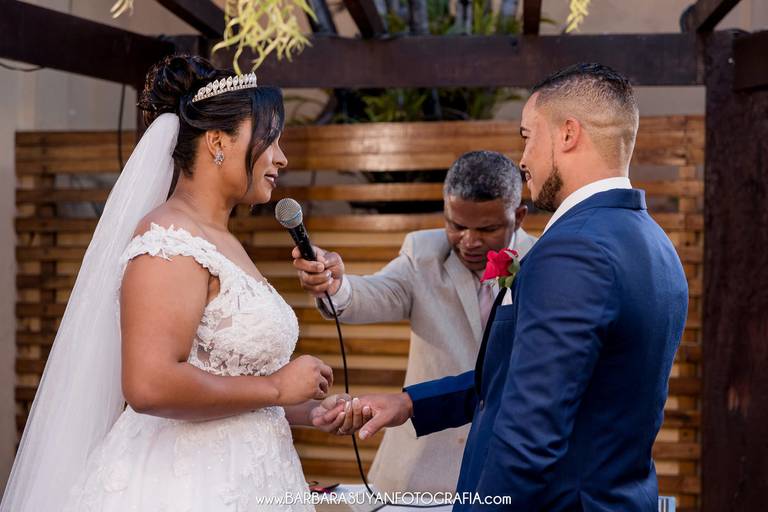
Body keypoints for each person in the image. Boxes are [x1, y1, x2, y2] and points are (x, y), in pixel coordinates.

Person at [0, 55, 369, 511]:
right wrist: (277, 387)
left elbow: (223, 381)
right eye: (270, 139)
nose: (281, 157)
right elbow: (149, 385)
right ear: (217, 141)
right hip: (186, 487)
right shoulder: (169, 241)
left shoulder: (221, 239)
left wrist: (307, 409)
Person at [352, 63, 689, 511]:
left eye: (528, 136)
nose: (524, 159)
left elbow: (531, 428)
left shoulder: (574, 248)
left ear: (567, 134)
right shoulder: (654, 243)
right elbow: (533, 378)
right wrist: (413, 403)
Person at [292, 151, 537, 492]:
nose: (469, 241)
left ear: (519, 216)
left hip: (509, 466)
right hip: (422, 465)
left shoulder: (544, 262)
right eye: (456, 225)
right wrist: (335, 286)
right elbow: (376, 293)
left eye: (487, 229)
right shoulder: (422, 252)